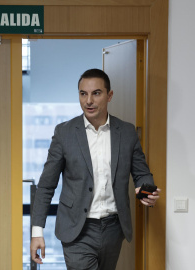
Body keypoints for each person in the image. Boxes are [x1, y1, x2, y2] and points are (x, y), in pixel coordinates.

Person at [30, 68, 160, 270]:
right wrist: (37, 232)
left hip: (113, 228)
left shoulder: (126, 132)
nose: (88, 100)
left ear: (109, 96)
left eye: (96, 93)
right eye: (83, 94)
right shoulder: (64, 133)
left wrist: (146, 191)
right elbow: (46, 186)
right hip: (77, 230)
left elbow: (142, 173)